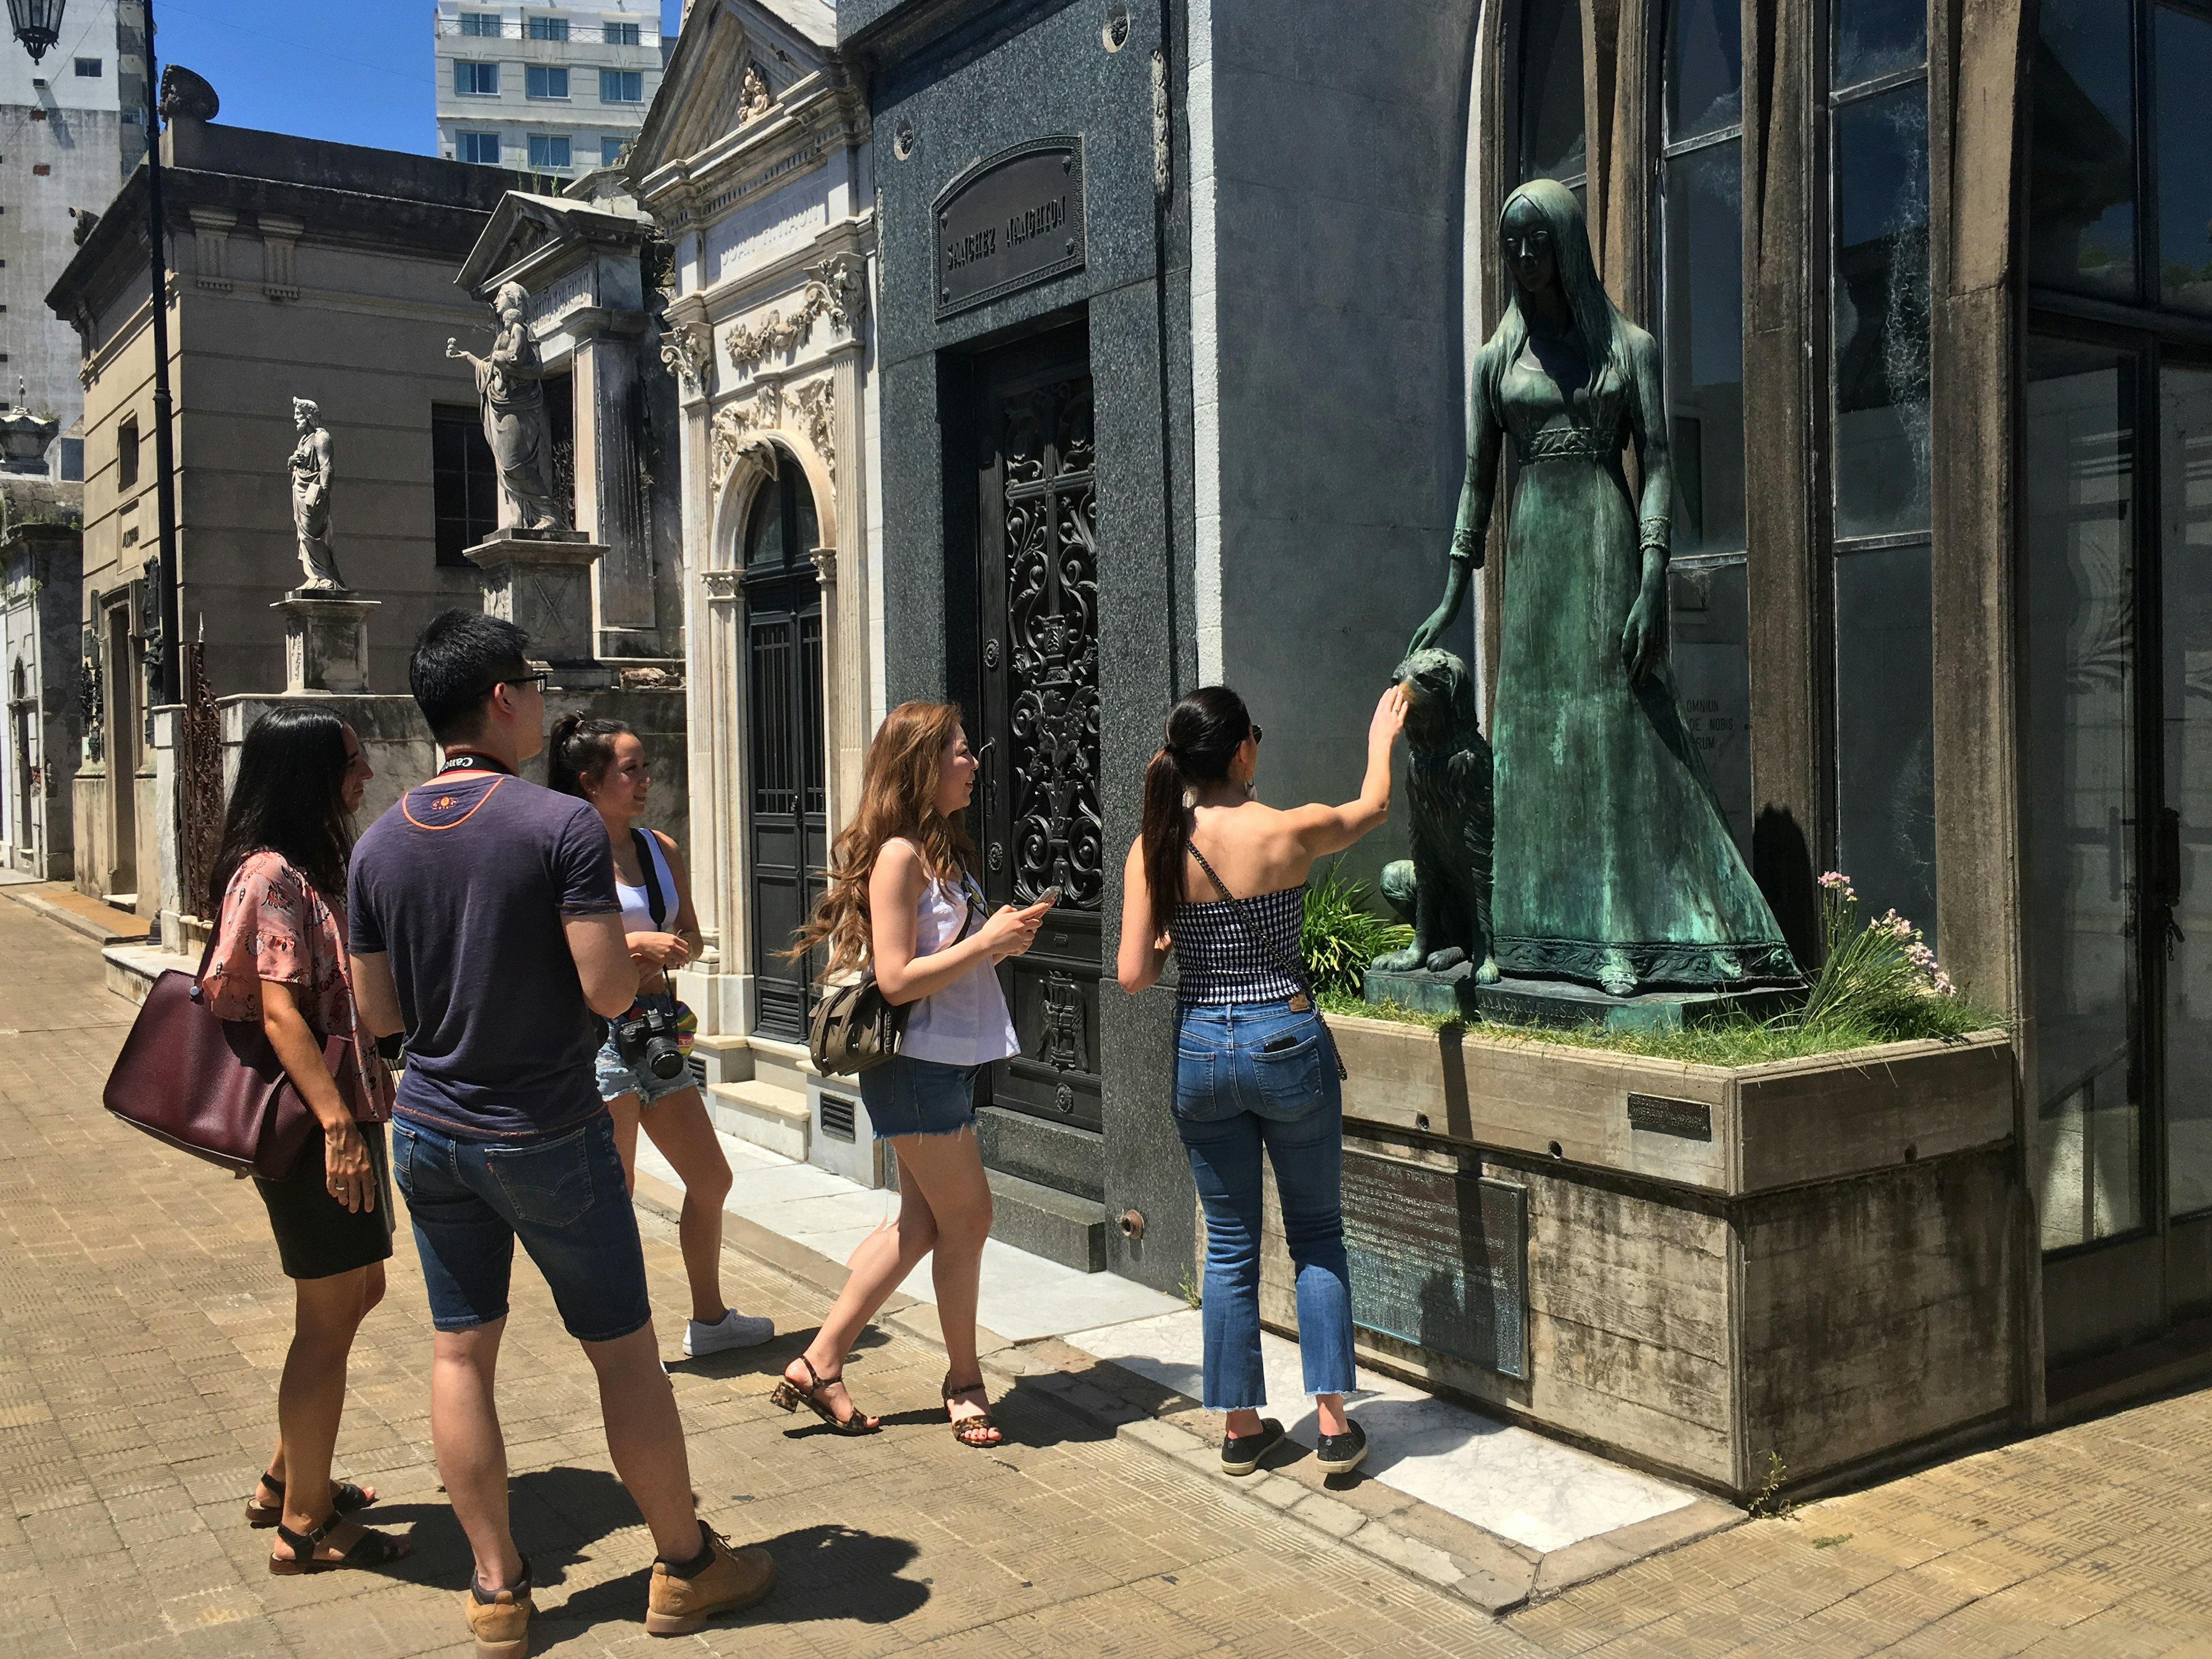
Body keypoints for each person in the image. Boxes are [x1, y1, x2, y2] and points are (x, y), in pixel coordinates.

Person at [348, 612, 774, 1651]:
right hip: (545, 1124)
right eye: (530, 680)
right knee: (623, 1354)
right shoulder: (559, 825)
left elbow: (380, 1017)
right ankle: (682, 1564)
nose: (539, 697)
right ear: (500, 699)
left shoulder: (380, 842)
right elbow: (604, 983)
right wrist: (638, 958)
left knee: (462, 1351)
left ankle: (498, 1591)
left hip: (432, 1128)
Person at [1116, 684, 1406, 1479]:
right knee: (1316, 1233)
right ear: (1242, 751)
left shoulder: (1154, 847)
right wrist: (1381, 736)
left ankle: (1242, 1427)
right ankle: (1334, 1424)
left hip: (1204, 1047)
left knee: (1233, 1243)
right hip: (1286, 1035)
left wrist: (1180, 932)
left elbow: (1134, 975)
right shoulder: (1286, 830)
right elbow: (1372, 808)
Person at [776, 702, 1050, 1447]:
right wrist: (986, 939)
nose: (973, 763)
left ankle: (820, 1362)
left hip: (945, 1061)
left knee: (923, 1223)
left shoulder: (938, 853)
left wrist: (999, 943)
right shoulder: (898, 855)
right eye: (961, 751)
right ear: (923, 764)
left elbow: (941, 966)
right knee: (970, 1219)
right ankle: (963, 1380)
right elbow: (896, 980)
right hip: (916, 1067)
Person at [206, 706, 410, 1574]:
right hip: (312, 1122)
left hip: (345, 1109)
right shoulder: (271, 877)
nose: (366, 775)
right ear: (308, 775)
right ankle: (305, 1524)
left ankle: (287, 1475)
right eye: (354, 762)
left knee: (358, 1290)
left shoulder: (303, 868)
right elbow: (282, 1013)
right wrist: (337, 1126)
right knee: (325, 1322)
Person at [548, 713, 770, 1358]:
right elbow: (550, 948)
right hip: (598, 1038)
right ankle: (622, 1334)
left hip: (656, 1033)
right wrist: (632, 942)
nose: (647, 779)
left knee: (712, 1179)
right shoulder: (565, 851)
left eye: (646, 766)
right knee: (617, 1191)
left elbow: (696, 933)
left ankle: (710, 1319)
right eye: (631, 769)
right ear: (590, 782)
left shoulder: (658, 848)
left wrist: (675, 950)